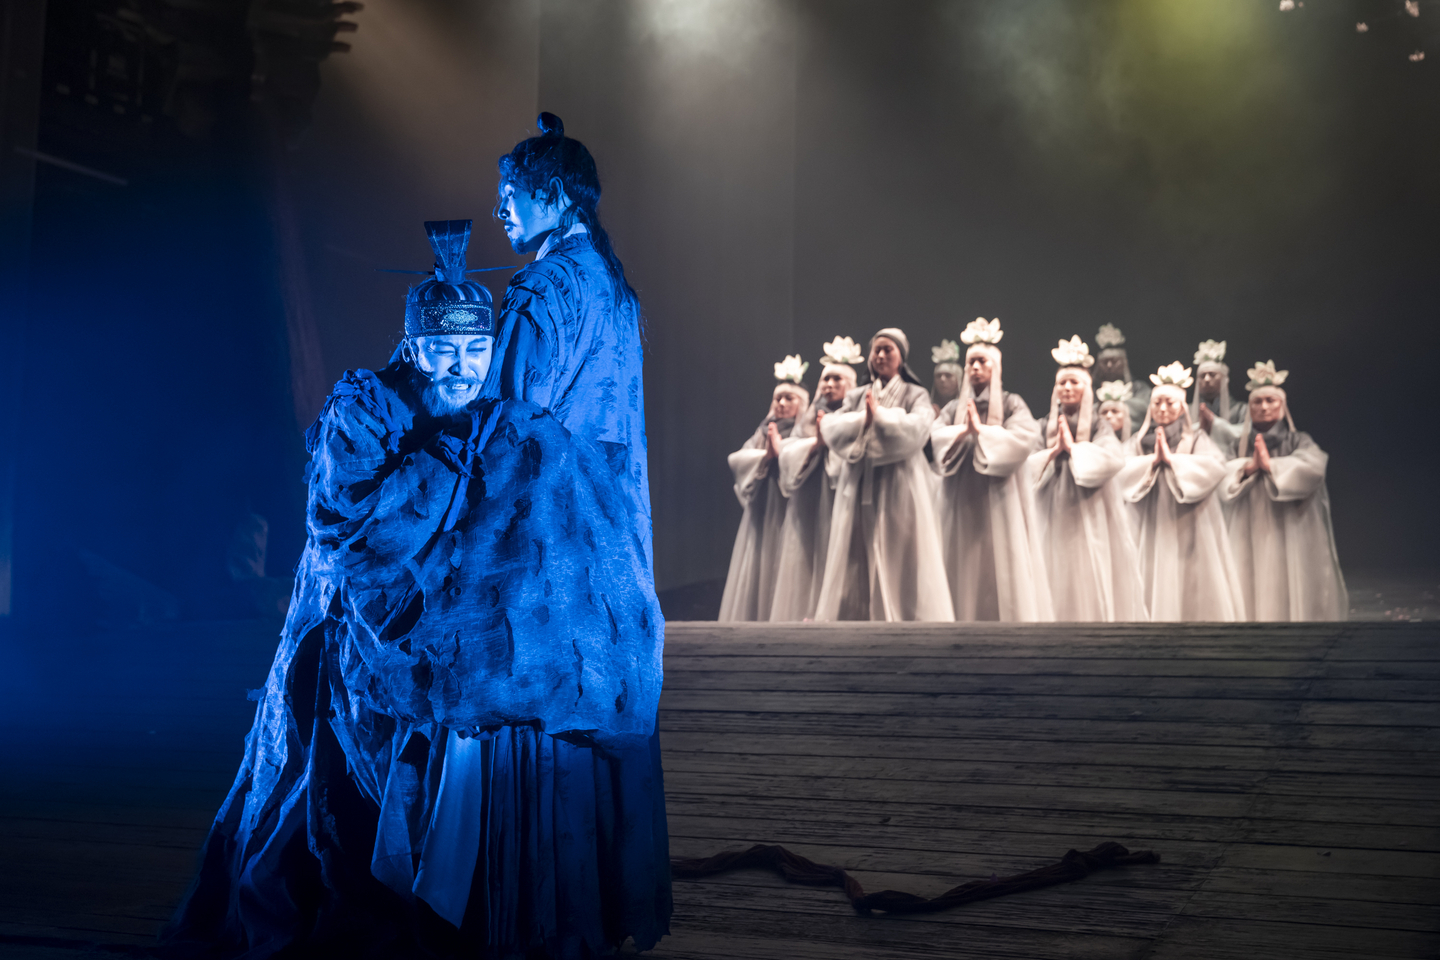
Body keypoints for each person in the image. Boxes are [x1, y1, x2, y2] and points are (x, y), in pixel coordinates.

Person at [162, 210, 669, 959]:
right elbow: (353, 531)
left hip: (448, 642)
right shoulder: (365, 410)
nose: (462, 365)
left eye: (476, 347)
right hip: (364, 634)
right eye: (443, 347)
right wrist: (443, 482)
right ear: (414, 344)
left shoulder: (499, 422)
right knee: (341, 805)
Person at [813, 328, 953, 621]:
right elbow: (832, 427)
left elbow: (919, 427)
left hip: (901, 479)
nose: (880, 355)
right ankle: (855, 614)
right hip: (860, 477)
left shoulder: (916, 394)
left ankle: (906, 613)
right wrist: (864, 418)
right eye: (876, 350)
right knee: (854, 547)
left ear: (901, 357)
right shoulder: (856, 395)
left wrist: (880, 417)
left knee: (902, 544)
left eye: (887, 349)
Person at [931, 318, 1052, 622]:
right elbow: (935, 438)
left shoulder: (1012, 403)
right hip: (961, 495)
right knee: (961, 555)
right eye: (970, 362)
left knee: (1002, 555)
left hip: (1000, 496)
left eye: (981, 361)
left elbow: (1024, 439)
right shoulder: (951, 409)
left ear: (995, 367)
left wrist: (980, 434)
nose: (974, 368)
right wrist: (964, 433)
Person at [1028, 337, 1148, 622]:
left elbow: (1112, 458)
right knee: (1050, 560)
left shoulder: (1098, 423)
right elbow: (1025, 464)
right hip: (1049, 507)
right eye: (1062, 383)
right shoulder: (1044, 424)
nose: (1067, 388)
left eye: (1074, 383)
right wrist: (1051, 455)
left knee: (1087, 562)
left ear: (1087, 388)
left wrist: (1073, 450)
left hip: (1089, 507)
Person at [1220, 362, 1348, 621]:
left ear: (1282, 405)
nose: (1264, 407)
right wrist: (1247, 467)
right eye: (1257, 402)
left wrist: (1272, 467)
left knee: (1287, 577)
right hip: (1247, 526)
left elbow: (1313, 465)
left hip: (1289, 524)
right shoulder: (1238, 445)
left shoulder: (1297, 440)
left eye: (1270, 401)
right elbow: (1221, 474)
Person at [1116, 363, 1244, 622]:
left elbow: (1215, 466)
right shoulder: (1139, 442)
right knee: (1148, 571)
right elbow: (1120, 471)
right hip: (1148, 521)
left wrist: (1173, 462)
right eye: (1157, 403)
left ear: (1182, 407)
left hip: (1189, 521)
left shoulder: (1196, 440)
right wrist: (1152, 462)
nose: (1162, 409)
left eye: (1170, 403)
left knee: (1190, 574)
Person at [771, 337, 861, 621]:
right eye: (826, 379)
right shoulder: (811, 416)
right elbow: (789, 449)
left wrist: (831, 441)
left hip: (843, 491)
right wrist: (815, 444)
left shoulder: (853, 414)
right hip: (811, 492)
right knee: (810, 549)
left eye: (837, 379)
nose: (829, 385)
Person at [718, 358, 810, 621]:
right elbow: (739, 458)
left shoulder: (804, 431)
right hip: (764, 503)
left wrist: (784, 454)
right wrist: (765, 456)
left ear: (801, 403)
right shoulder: (763, 430)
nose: (781, 404)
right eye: (778, 398)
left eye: (788, 398)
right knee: (760, 555)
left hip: (790, 503)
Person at [1190, 339, 1245, 455]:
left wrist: (1214, 423)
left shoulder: (1241, 410)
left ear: (1225, 379)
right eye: (1202, 376)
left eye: (1212, 374)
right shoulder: (1187, 411)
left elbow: (1247, 436)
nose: (1207, 379)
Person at [1094, 323, 1151, 434]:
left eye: (1114, 361)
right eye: (1105, 362)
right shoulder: (1091, 390)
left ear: (1124, 362)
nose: (1109, 366)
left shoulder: (1139, 387)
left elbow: (1145, 409)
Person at [930, 338, 962, 414]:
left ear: (958, 379)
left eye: (948, 375)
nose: (942, 379)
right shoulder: (926, 408)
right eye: (938, 376)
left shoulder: (965, 407)